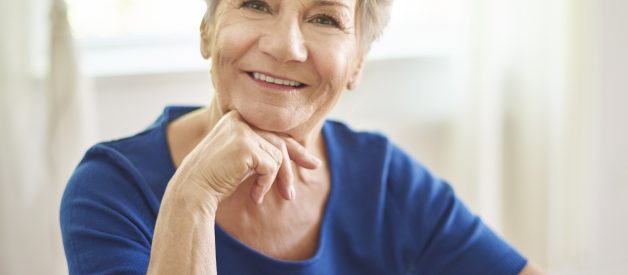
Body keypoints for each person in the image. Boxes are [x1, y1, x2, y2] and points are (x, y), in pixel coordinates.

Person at [60, 0, 544, 274]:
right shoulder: (111, 189)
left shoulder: (382, 178)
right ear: (207, 30)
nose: (285, 46)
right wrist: (193, 196)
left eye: (325, 18)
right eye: (255, 4)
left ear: (357, 62)